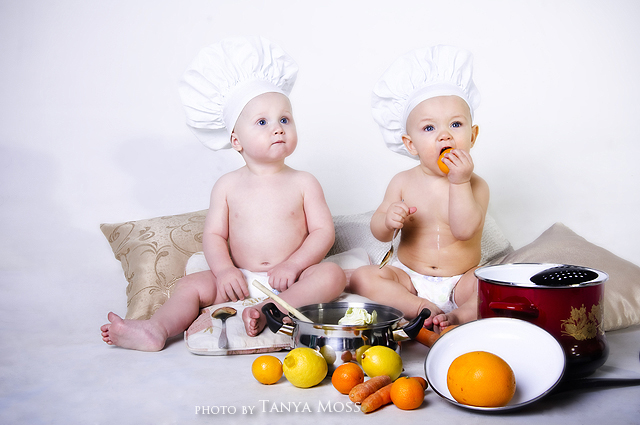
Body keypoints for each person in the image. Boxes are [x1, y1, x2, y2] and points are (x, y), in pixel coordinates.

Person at [101, 37, 346, 351]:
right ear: (236, 140)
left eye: (285, 119)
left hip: (292, 280)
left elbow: (323, 232)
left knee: (332, 275)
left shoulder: (304, 182)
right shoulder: (227, 185)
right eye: (262, 122)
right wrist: (225, 271)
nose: (278, 128)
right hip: (240, 280)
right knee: (191, 285)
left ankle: (270, 310)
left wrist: (294, 265)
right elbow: (215, 235)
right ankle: (155, 328)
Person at [349, 45, 489, 332]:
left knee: (490, 284)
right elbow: (379, 232)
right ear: (410, 144)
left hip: (460, 280)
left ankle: (458, 316)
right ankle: (418, 307)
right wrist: (388, 220)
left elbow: (464, 230)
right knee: (363, 277)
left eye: (456, 124)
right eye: (429, 128)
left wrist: (459, 181)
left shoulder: (476, 184)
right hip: (410, 279)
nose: (444, 135)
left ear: (473, 136)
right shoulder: (402, 181)